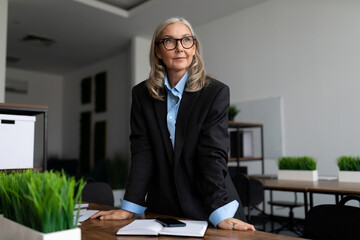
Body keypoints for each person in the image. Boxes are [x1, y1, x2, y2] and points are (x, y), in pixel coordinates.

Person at [91, 17, 255, 231]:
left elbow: (212, 156)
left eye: (186, 40)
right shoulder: (141, 95)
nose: (179, 48)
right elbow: (142, 154)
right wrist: (129, 207)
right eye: (170, 41)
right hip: (164, 208)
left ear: (194, 47)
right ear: (158, 51)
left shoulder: (214, 93)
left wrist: (218, 211)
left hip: (211, 204)